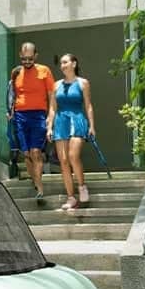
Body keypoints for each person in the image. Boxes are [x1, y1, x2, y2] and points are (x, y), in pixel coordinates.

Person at [7, 41, 55, 203]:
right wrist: (10, 111)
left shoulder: (44, 71)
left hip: (38, 116)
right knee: (26, 154)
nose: (27, 62)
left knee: (36, 152)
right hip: (20, 116)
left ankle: (40, 189)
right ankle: (35, 181)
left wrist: (50, 115)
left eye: (30, 59)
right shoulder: (15, 73)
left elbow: (51, 95)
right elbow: (12, 94)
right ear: (21, 56)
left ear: (35, 56)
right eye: (24, 59)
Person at [46, 53, 96, 210]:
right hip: (61, 122)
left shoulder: (83, 83)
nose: (62, 65)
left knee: (73, 156)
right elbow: (53, 107)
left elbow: (88, 105)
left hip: (77, 119)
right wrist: (49, 127)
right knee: (63, 161)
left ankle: (82, 187)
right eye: (61, 63)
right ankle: (70, 197)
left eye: (65, 62)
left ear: (74, 64)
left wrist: (92, 126)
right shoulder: (56, 85)